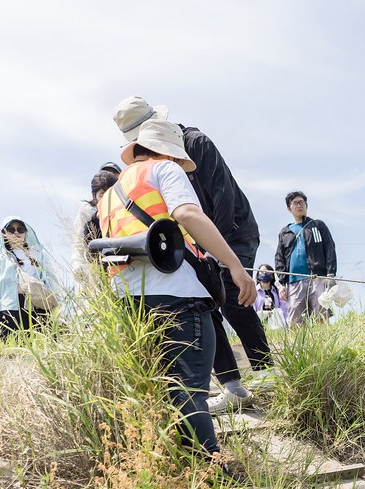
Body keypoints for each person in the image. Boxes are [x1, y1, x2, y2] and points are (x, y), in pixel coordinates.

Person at [97, 119, 256, 475]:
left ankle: (177, 468)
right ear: (165, 151)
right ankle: (212, 471)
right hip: (177, 295)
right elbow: (187, 213)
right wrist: (234, 265)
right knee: (189, 390)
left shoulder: (108, 196)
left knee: (165, 388)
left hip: (130, 303)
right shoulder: (163, 169)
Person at [112, 96, 271, 413]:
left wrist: (219, 254)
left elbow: (222, 197)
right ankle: (232, 386)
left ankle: (268, 370)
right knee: (205, 302)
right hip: (197, 242)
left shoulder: (196, 142)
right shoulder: (152, 166)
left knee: (233, 297)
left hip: (233, 231)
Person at [0, 217, 57, 338]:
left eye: (20, 229)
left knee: (43, 345)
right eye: (11, 229)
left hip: (39, 305)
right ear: (4, 233)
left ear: (25, 232)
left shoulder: (39, 255)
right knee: (13, 346)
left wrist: (57, 303)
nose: (16, 233)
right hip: (10, 308)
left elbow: (50, 279)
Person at [273, 191, 337, 326]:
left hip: (317, 278)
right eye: (295, 203)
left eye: (302, 202)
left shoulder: (317, 225)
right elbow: (279, 258)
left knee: (321, 316)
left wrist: (331, 274)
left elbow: (330, 248)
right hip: (294, 281)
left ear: (306, 205)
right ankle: (297, 347)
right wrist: (281, 283)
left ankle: (323, 345)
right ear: (289, 208)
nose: (299, 205)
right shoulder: (285, 232)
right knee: (295, 322)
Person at [71, 165, 121, 285]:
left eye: (114, 175)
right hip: (95, 268)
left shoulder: (125, 208)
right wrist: (77, 263)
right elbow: (78, 240)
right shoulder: (88, 211)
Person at [253, 264, 288, 330]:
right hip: (259, 323)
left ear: (272, 275)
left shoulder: (277, 292)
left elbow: (284, 309)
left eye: (267, 272)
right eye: (261, 272)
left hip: (276, 325)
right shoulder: (254, 292)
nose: (264, 274)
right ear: (258, 275)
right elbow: (252, 309)